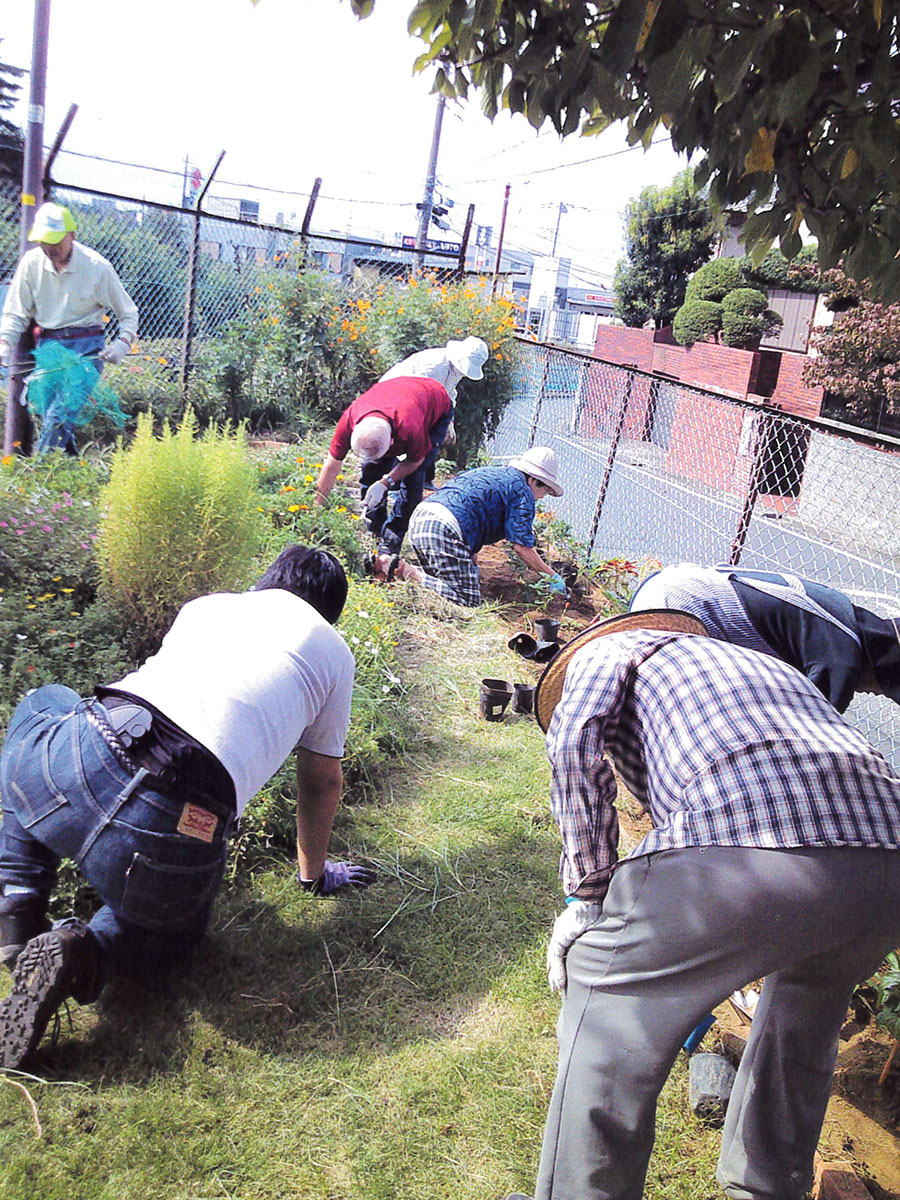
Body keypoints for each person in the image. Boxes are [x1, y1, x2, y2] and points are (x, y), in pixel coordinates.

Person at [514, 609, 900, 1200]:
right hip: (887, 860)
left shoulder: (604, 656)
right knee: (806, 1012)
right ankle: (767, 1188)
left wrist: (586, 897)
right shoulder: (760, 667)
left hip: (751, 841)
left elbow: (573, 744)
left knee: (604, 984)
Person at [0, 544, 375, 1070]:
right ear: (329, 610)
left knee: (44, 707)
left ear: (268, 579)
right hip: (182, 820)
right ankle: (82, 955)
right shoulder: (333, 650)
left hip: (91, 750)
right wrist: (313, 875)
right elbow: (322, 781)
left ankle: (17, 901)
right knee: (171, 931)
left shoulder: (208, 606)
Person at [630, 562, 900, 713]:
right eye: (881, 688)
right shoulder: (841, 661)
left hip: (667, 587)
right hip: (683, 610)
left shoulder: (840, 614)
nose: (870, 691)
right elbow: (812, 735)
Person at [0, 202, 139, 453]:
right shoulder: (31, 264)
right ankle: (75, 475)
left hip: (86, 348)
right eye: (44, 241)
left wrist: (122, 343)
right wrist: (4, 344)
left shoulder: (97, 268)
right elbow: (15, 312)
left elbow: (128, 314)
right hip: (48, 348)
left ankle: (39, 478)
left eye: (55, 241)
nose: (49, 248)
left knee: (59, 416)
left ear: (72, 235)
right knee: (49, 416)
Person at [395, 447, 569, 607]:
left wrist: (472, 564)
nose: (541, 497)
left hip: (422, 517)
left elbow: (472, 512)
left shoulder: (494, 473)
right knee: (467, 600)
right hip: (443, 529)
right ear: (532, 480)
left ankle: (398, 572)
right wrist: (552, 576)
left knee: (439, 583)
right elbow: (522, 547)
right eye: (544, 491)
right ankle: (403, 570)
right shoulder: (522, 492)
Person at [314, 375, 453, 561]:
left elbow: (414, 461)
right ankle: (374, 530)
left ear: (393, 442)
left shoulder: (411, 428)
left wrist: (386, 482)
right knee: (371, 468)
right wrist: (316, 511)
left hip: (434, 402)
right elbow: (331, 467)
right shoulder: (349, 420)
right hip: (396, 396)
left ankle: (390, 545)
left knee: (413, 481)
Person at [379, 336, 489, 484]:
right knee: (398, 444)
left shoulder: (454, 368)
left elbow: (448, 393)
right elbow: (416, 398)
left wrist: (450, 422)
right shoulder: (435, 367)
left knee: (429, 442)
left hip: (414, 403)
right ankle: (393, 481)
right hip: (394, 399)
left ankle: (418, 480)